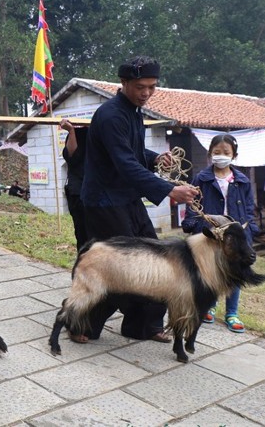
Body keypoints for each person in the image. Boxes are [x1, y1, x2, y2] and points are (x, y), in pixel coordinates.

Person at [79, 55, 198, 344]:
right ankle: (81, 323)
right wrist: (168, 189)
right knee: (120, 267)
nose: (146, 93)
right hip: (104, 201)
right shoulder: (109, 115)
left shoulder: (133, 111)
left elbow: (133, 153)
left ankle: (142, 325)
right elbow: (125, 164)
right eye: (140, 86)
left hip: (127, 197)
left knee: (156, 257)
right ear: (124, 83)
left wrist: (156, 157)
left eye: (152, 87)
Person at [182, 134, 260, 333]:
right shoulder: (202, 178)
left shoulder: (241, 181)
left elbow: (249, 208)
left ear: (234, 155)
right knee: (212, 269)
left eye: (226, 152)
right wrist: (192, 223)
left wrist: (249, 229)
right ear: (210, 154)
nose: (221, 156)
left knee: (235, 270)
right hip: (211, 232)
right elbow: (193, 203)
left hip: (235, 234)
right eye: (217, 152)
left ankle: (232, 313)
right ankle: (210, 305)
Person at [60, 119, 89, 251]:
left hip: (96, 192)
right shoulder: (76, 133)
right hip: (78, 192)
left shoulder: (100, 135)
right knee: (82, 234)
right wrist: (71, 131)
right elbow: (72, 155)